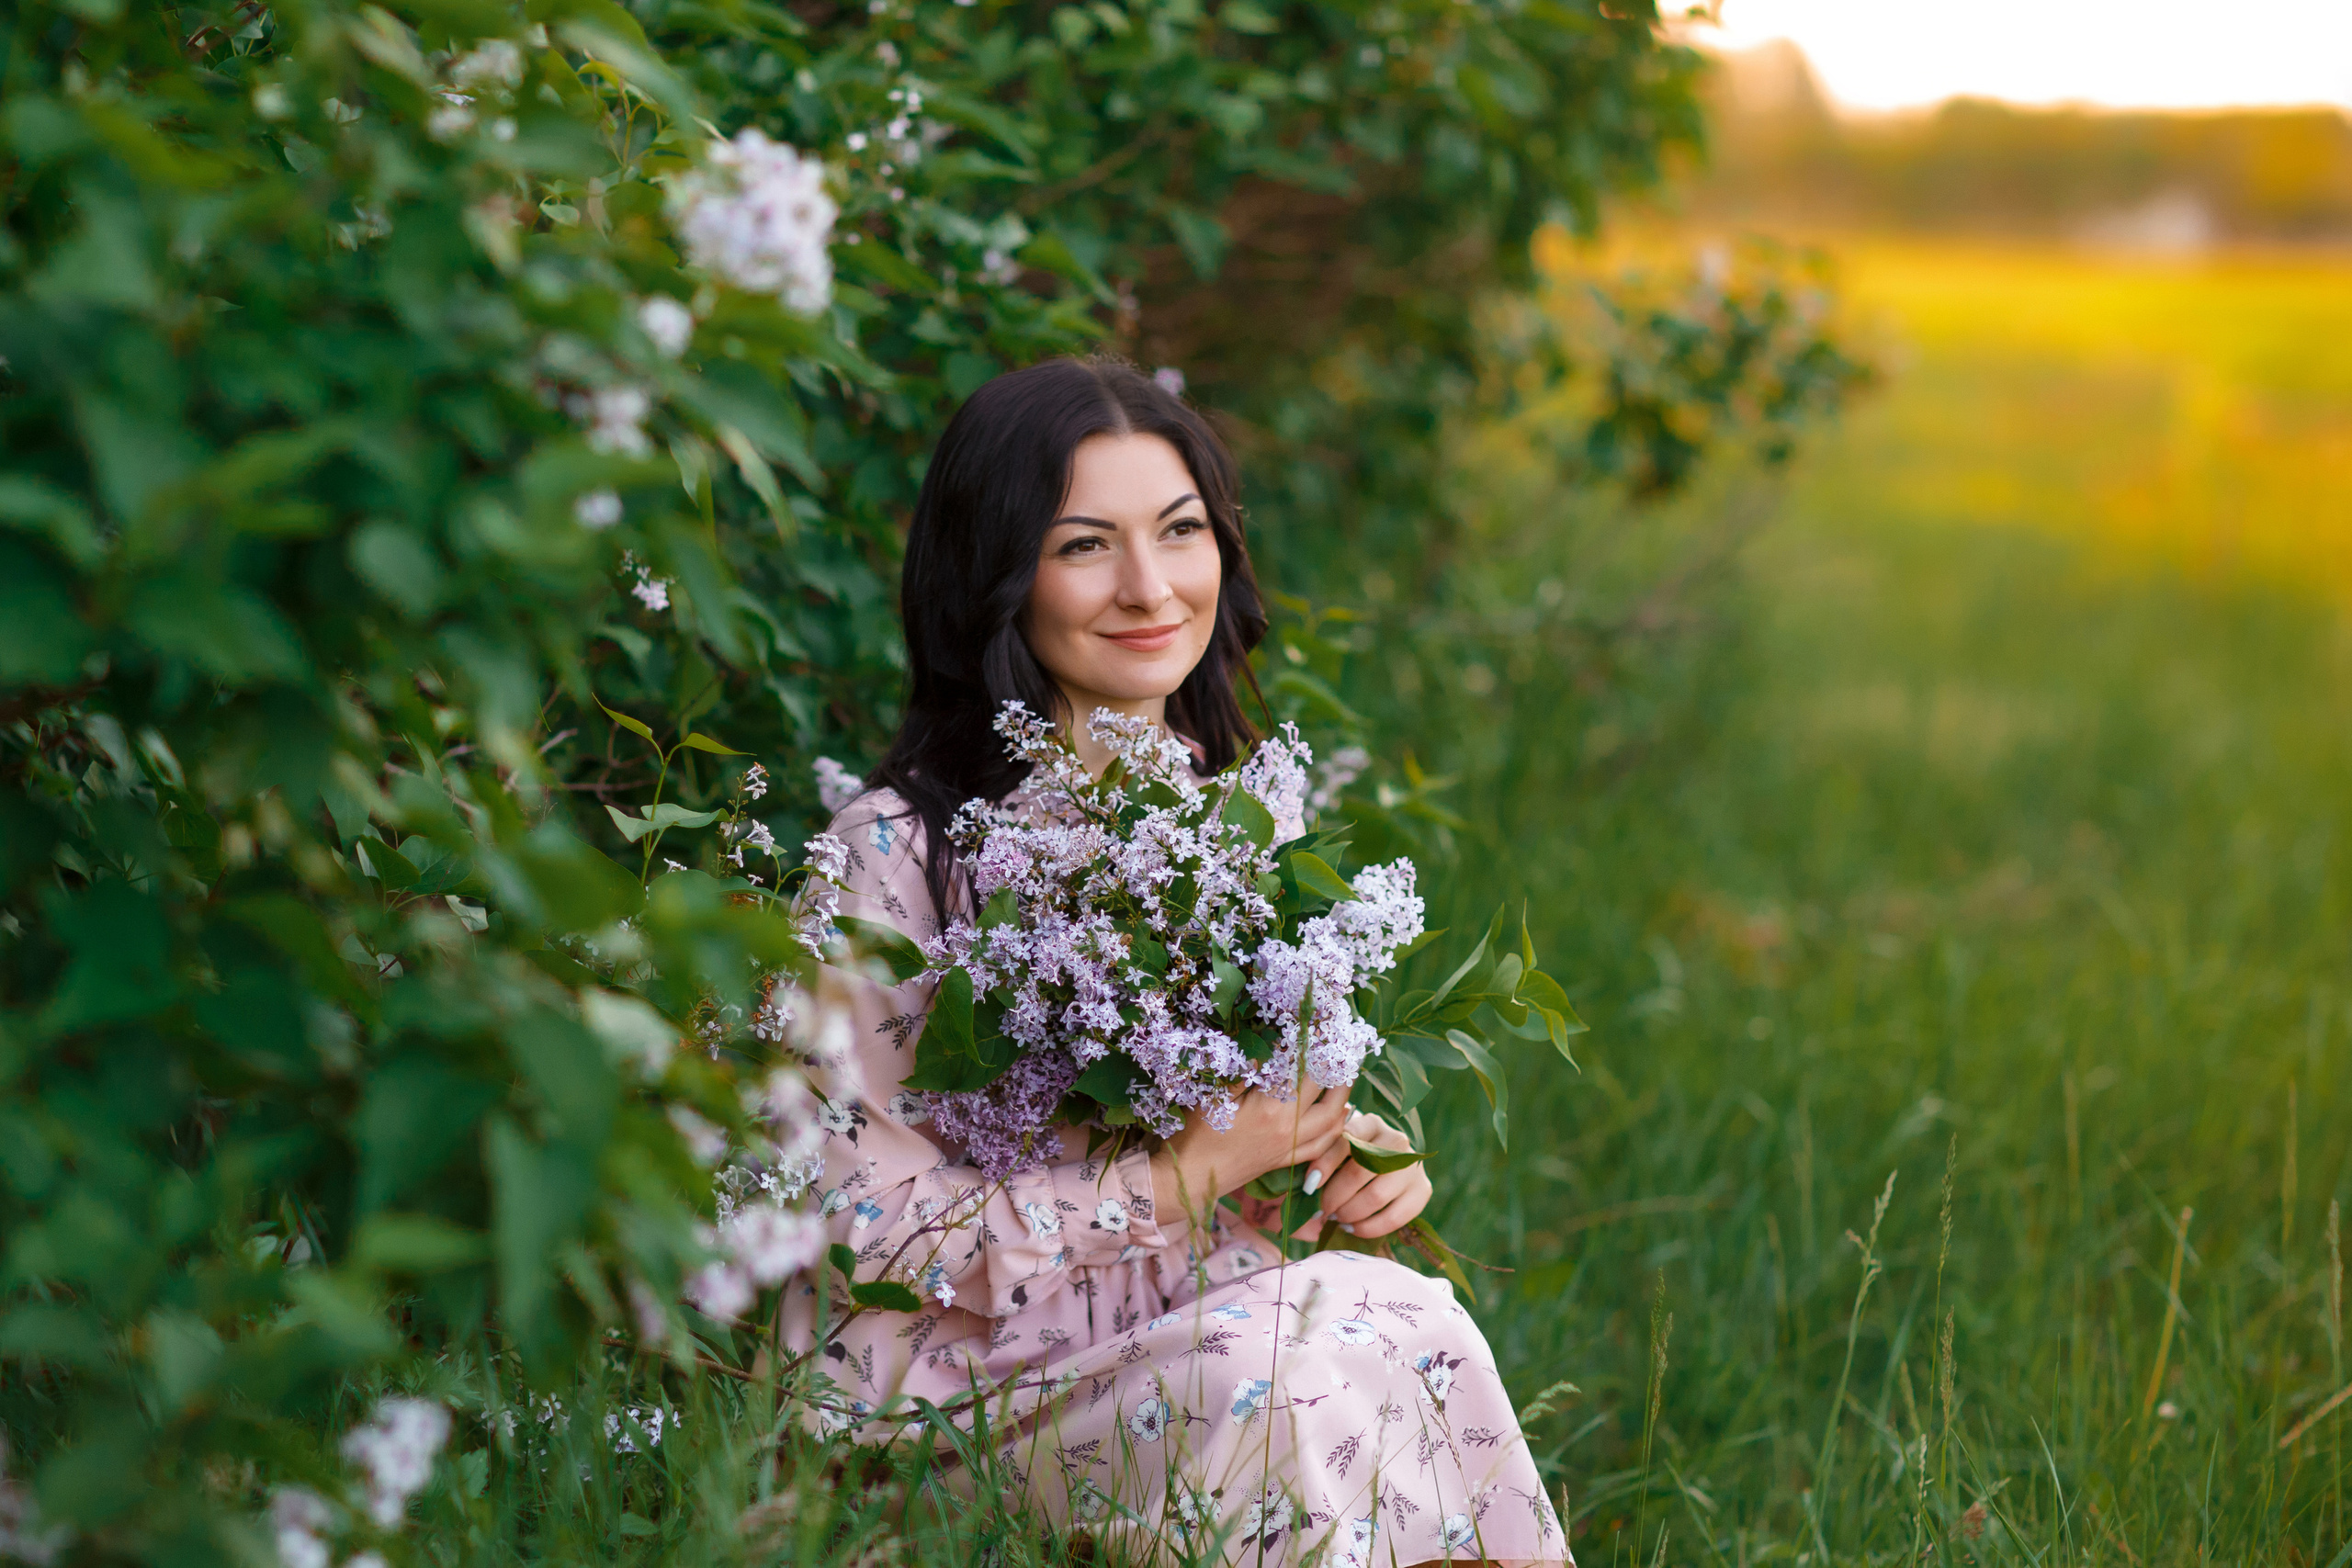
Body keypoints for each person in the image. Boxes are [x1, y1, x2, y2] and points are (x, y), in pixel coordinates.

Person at [778, 358, 1569, 1566]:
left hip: (1194, 1341)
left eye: (1181, 531)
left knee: (1407, 1317)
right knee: (1277, 1374)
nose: (1149, 587)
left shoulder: (1235, 823)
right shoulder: (892, 860)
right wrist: (1173, 1183)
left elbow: (1229, 1147)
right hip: (956, 1420)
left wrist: (1330, 1159)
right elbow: (853, 1231)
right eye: (1085, 546)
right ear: (995, 576)